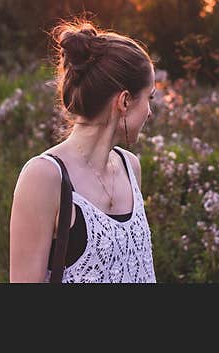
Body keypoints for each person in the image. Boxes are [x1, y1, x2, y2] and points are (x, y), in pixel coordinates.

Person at [9, 19, 157, 282]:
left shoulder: (131, 168)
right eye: (150, 97)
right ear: (124, 101)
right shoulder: (44, 177)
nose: (150, 111)